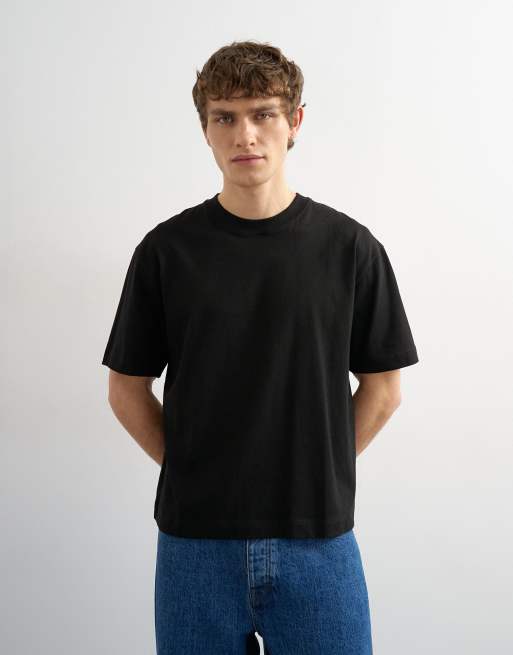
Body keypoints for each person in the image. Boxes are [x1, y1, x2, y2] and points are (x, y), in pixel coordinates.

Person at [102, 39, 419, 655]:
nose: (244, 134)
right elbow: (126, 388)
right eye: (225, 117)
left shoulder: (350, 249)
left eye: (263, 113)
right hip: (196, 546)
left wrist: (317, 467)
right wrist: (192, 469)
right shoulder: (166, 252)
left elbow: (384, 388)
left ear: (294, 121)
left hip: (318, 542)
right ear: (205, 130)